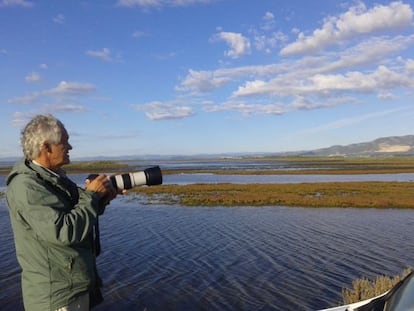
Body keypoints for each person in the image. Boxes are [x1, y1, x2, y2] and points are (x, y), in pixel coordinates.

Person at [6, 114, 117, 311]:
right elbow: (64, 231)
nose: (70, 147)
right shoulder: (27, 186)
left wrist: (101, 200)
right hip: (57, 297)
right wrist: (91, 196)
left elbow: (74, 212)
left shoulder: (52, 178)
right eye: (65, 142)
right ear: (46, 147)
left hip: (71, 287)